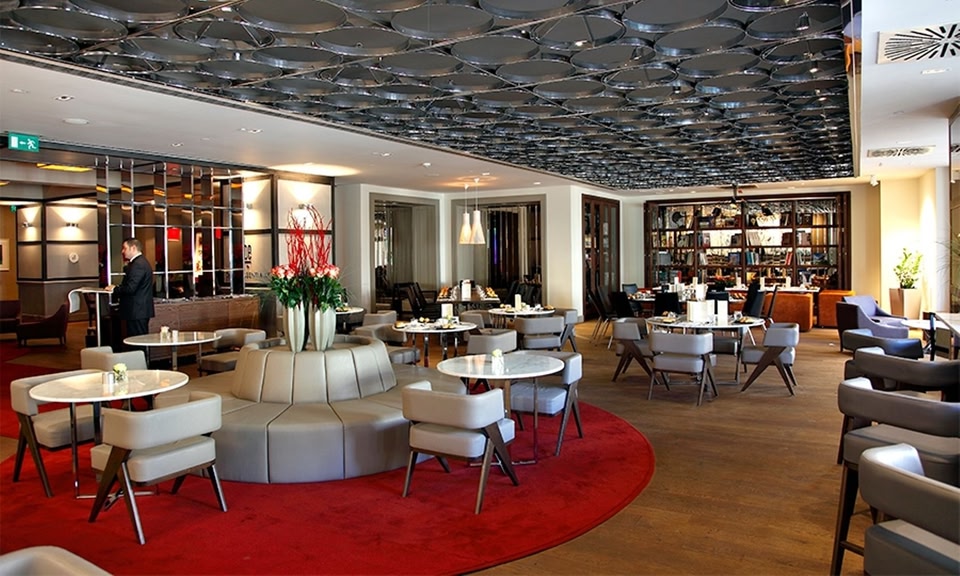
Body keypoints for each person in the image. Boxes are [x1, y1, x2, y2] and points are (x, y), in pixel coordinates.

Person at [106, 237, 154, 337]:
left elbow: (131, 288)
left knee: (137, 341)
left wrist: (114, 289)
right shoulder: (139, 262)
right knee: (138, 340)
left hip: (137, 311)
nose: (122, 251)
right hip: (138, 311)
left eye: (125, 248)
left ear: (133, 248)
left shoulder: (138, 264)